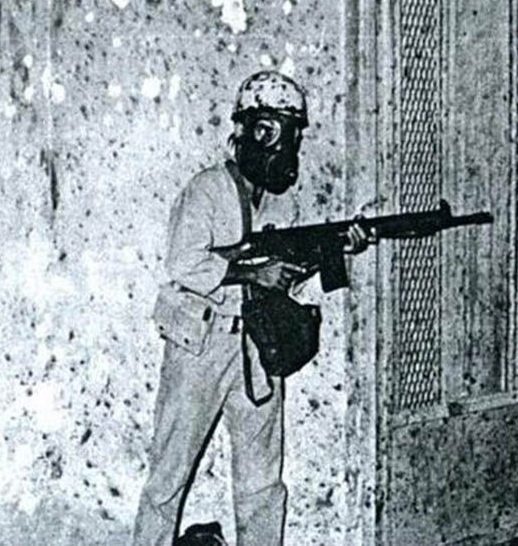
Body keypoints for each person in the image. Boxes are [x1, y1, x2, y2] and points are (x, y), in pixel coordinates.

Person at [133, 71, 367, 546]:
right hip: (200, 345)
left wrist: (336, 253)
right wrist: (251, 273)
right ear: (252, 130)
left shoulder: (279, 205)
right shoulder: (207, 190)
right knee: (168, 477)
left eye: (292, 134)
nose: (286, 147)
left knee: (262, 482)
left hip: (257, 344)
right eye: (277, 130)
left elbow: (290, 283)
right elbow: (183, 262)